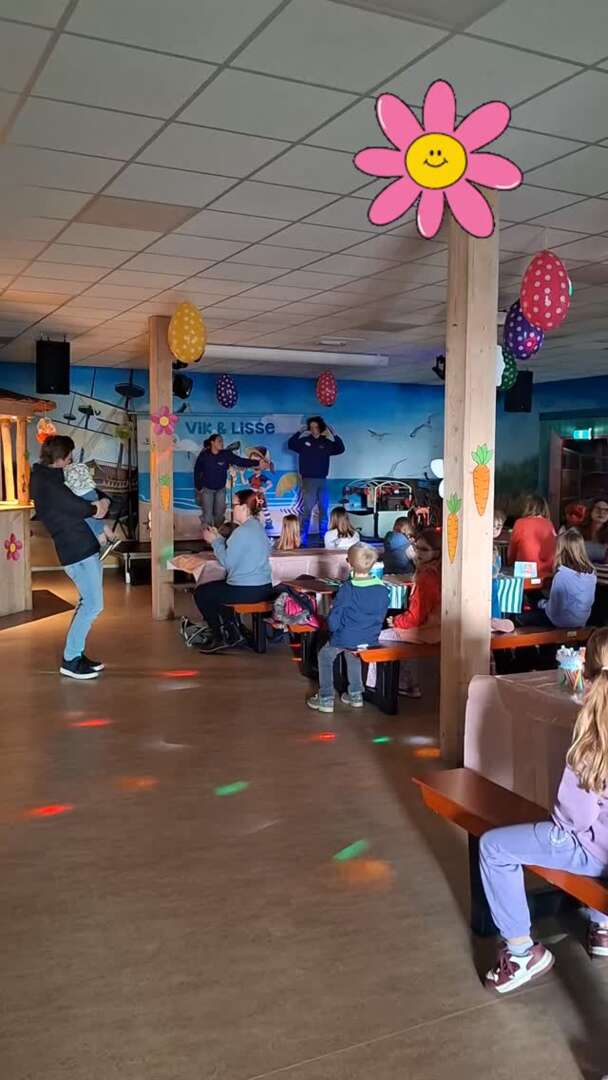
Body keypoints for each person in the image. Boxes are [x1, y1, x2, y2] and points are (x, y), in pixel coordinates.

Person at [480, 627, 608, 995]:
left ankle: (522, 952)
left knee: (494, 847)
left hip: (594, 849)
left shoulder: (594, 733)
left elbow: (575, 818)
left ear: (586, 671)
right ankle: (601, 926)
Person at [30, 435, 110, 680]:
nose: (71, 461)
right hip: (76, 550)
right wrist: (97, 508)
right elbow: (75, 505)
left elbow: (80, 494)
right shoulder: (46, 482)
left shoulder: (49, 476)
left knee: (88, 602)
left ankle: (76, 654)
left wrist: (101, 501)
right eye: (69, 457)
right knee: (93, 604)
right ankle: (71, 660)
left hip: (81, 546)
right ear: (60, 459)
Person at [307, 542, 389, 714]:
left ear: (350, 564)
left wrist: (331, 629)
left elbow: (335, 616)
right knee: (353, 655)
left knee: (325, 656)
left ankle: (326, 698)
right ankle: (356, 694)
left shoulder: (348, 589)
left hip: (345, 636)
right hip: (370, 637)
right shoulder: (382, 588)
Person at [194, 489, 273, 654]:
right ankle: (233, 631)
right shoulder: (257, 527)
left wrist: (214, 542)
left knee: (202, 593)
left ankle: (219, 636)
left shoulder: (241, 531)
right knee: (219, 591)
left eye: (234, 505)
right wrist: (218, 539)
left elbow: (227, 563)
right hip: (264, 587)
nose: (231, 509)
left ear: (244, 508)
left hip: (246, 590)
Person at [367, 528, 442, 699]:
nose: (418, 553)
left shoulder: (426, 577)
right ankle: (406, 683)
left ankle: (374, 687)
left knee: (378, 638)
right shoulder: (439, 572)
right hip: (435, 627)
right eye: (417, 548)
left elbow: (416, 616)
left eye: (424, 549)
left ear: (437, 552)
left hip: (427, 630)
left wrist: (396, 621)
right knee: (399, 639)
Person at [517, 528, 596, 629]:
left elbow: (554, 610)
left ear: (560, 550)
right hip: (581, 620)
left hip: (560, 621)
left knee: (520, 616)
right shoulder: (591, 574)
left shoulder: (562, 575)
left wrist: (541, 603)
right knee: (537, 598)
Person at [288, 416, 345, 545]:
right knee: (307, 510)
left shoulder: (326, 442)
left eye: (316, 427)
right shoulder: (304, 441)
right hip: (308, 480)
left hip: (322, 480)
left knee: (324, 510)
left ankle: (324, 537)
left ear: (320, 428)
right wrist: (300, 431)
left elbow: (340, 449)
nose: (314, 429)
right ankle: (302, 538)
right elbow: (291, 444)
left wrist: (334, 433)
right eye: (311, 427)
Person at [193, 434, 259, 528]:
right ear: (212, 442)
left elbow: (240, 461)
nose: (222, 443)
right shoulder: (204, 455)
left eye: (222, 441)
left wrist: (257, 462)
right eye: (219, 441)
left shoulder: (226, 454)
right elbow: (197, 470)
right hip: (207, 490)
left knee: (219, 514)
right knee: (207, 515)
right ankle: (208, 535)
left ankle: (218, 534)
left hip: (221, 489)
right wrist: (198, 487)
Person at [63, 461, 118, 558]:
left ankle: (103, 544)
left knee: (92, 522)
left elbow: (68, 486)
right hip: (92, 492)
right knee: (97, 518)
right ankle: (113, 538)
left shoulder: (67, 471)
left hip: (83, 496)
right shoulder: (81, 465)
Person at [507, 494, 556, 578]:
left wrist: (510, 562)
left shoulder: (520, 523)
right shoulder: (549, 525)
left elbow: (512, 552)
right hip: (546, 572)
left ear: (526, 507)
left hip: (525, 572)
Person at [582, 498, 608, 563]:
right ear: (590, 511)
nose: (601, 513)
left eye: (606, 510)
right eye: (598, 509)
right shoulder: (577, 531)